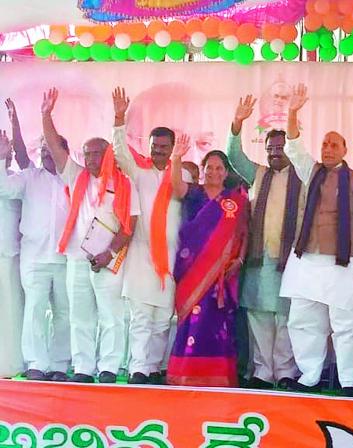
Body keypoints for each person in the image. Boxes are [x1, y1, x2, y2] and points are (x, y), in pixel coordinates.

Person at [279, 84, 353, 396]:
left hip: (344, 261)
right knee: (303, 319)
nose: (328, 148)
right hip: (308, 258)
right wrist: (293, 112)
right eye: (324, 143)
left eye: (334, 145)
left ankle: (348, 380)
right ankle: (309, 375)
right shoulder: (312, 171)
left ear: (345, 151)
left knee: (346, 323)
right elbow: (293, 147)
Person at [42, 87, 140, 384]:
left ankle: (109, 367)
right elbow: (55, 148)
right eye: (87, 154)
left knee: (111, 315)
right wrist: (45, 114)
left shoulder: (124, 183)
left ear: (108, 154)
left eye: (97, 152)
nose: (91, 158)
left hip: (109, 259)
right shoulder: (77, 176)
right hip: (77, 258)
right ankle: (83, 368)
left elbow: (129, 226)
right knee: (79, 316)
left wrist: (108, 253)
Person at [227, 94, 302, 389]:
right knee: (258, 316)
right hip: (259, 260)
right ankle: (262, 372)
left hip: (291, 261)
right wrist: (237, 123)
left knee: (286, 318)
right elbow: (234, 157)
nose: (274, 153)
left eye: (280, 148)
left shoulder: (304, 176)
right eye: (270, 149)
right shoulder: (258, 174)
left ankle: (285, 372)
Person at [111, 87, 182, 385]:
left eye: (164, 147)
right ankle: (139, 369)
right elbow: (119, 152)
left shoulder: (182, 177)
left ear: (173, 147)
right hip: (141, 255)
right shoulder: (139, 173)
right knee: (141, 317)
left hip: (172, 258)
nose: (158, 151)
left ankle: (154, 368)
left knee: (163, 319)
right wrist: (119, 117)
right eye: (155, 146)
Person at [166, 145, 249, 387]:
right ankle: (185, 375)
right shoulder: (193, 193)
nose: (214, 172)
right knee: (191, 322)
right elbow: (176, 185)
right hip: (191, 273)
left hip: (222, 278)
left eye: (219, 168)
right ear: (202, 171)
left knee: (216, 327)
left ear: (226, 172)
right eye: (209, 168)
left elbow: (244, 233)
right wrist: (177, 157)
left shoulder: (236, 199)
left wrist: (240, 260)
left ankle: (217, 377)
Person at [0, 99, 70, 382]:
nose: (45, 154)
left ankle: (59, 365)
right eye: (41, 150)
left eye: (50, 149)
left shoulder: (73, 179)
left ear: (62, 151)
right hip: (34, 258)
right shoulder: (30, 177)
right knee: (35, 311)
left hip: (66, 259)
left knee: (65, 313)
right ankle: (37, 364)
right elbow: (4, 187)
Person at [0, 128, 24, 379]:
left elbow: (4, 189)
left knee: (11, 311)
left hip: (9, 255)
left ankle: (11, 364)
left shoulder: (16, 179)